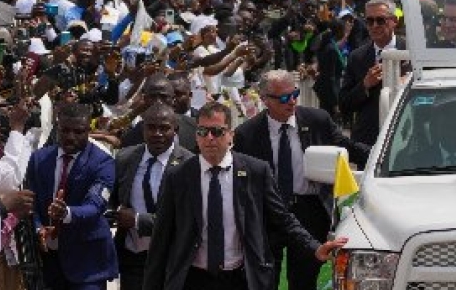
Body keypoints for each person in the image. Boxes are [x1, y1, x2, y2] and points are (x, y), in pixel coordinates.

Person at [142, 101, 348, 290]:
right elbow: (161, 239)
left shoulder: (256, 172)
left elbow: (283, 218)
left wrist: (315, 247)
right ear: (196, 135)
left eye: (217, 131)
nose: (209, 138)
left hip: (242, 278)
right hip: (193, 279)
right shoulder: (178, 176)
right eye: (203, 131)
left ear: (231, 135)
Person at [234, 70, 370, 290]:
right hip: (268, 212)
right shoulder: (247, 134)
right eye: (284, 98)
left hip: (310, 212)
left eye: (295, 94)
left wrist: (385, 157)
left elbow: (349, 148)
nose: (292, 102)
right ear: (265, 100)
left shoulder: (317, 120)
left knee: (304, 281)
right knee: (264, 279)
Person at [24, 102, 118, 290]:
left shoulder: (103, 162)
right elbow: (30, 201)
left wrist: (66, 213)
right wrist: (38, 227)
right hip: (48, 262)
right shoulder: (39, 159)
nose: (70, 137)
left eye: (78, 132)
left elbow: (95, 205)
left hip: (87, 264)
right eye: (65, 130)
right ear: (57, 127)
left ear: (88, 131)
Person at [111, 102, 193, 290]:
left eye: (164, 128)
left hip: (170, 260)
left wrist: (139, 220)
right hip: (132, 259)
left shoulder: (189, 165)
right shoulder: (125, 158)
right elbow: (113, 200)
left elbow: (185, 219)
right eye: (151, 127)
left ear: (176, 130)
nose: (157, 134)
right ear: (142, 128)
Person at [339, 0, 407, 145]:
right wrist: (365, 85)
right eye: (369, 21)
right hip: (369, 141)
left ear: (394, 21)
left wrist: (406, 84)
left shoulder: (411, 52)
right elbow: (344, 103)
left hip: (407, 137)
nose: (374, 26)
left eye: (380, 20)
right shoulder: (357, 57)